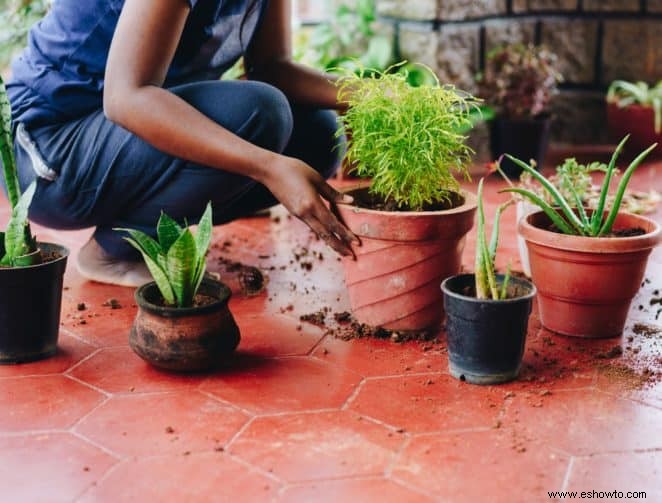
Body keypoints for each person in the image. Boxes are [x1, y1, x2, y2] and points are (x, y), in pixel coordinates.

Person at [6, 0, 358, 286]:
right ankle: (114, 250)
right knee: (261, 114)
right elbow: (126, 97)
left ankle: (160, 215)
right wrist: (268, 166)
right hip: (48, 153)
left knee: (318, 134)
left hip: (124, 134)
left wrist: (374, 94)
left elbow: (273, 67)